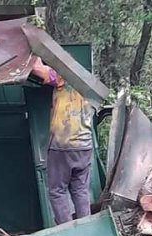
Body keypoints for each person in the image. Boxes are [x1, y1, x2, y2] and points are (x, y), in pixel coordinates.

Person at [30, 57, 95, 224]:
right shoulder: (89, 84)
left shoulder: (61, 77)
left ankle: (66, 231)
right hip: (85, 146)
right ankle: (85, 230)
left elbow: (36, 68)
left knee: (57, 191)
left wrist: (35, 49)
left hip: (63, 145)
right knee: (80, 190)